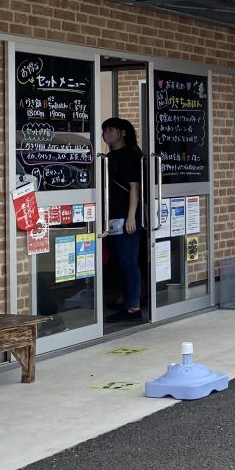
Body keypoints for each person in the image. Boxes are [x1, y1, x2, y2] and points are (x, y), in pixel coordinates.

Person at [101, 117, 145, 324]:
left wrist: (131, 216)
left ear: (122, 132)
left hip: (126, 216)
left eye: (110, 129)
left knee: (128, 261)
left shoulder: (129, 155)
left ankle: (133, 308)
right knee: (119, 261)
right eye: (104, 130)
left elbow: (134, 187)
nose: (105, 134)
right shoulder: (110, 156)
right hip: (113, 215)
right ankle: (126, 298)